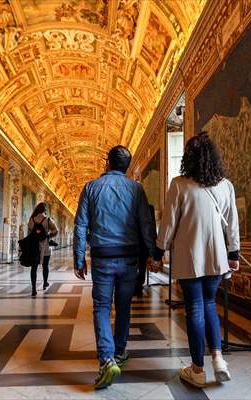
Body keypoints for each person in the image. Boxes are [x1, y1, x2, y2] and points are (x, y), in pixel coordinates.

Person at [149, 133, 240, 388]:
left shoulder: (179, 184)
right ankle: (219, 359)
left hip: (189, 257)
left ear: (188, 158)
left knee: (195, 309)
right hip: (216, 256)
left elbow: (168, 224)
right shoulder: (226, 185)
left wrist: (158, 252)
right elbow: (232, 224)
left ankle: (197, 369)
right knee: (210, 304)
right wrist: (233, 254)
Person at [73, 145, 156, 389]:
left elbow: (80, 226)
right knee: (123, 306)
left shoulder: (91, 187)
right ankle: (119, 352)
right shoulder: (136, 189)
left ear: (107, 163)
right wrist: (153, 253)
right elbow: (145, 224)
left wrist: (79, 259)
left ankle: (107, 360)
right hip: (130, 258)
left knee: (100, 307)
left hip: (102, 258)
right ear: (127, 166)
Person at [28, 202, 58, 297]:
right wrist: (49, 236)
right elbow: (56, 230)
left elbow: (29, 233)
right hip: (45, 247)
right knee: (45, 266)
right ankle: (45, 283)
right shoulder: (48, 219)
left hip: (34, 247)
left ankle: (33, 289)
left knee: (34, 268)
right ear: (44, 210)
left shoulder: (31, 219)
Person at [134, 204, 156, 297]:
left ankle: (138, 285)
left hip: (141, 241)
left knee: (141, 264)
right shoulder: (149, 207)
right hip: (139, 240)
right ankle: (137, 285)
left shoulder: (149, 207)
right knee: (139, 264)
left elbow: (153, 225)